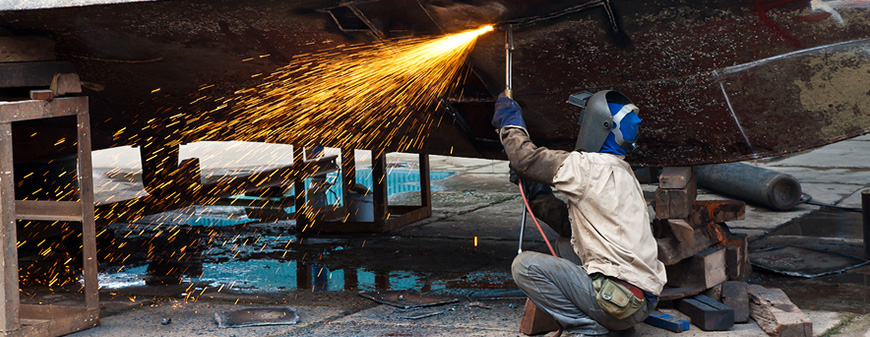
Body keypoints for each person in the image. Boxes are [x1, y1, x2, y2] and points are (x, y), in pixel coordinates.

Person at [491, 91, 666, 336]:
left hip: (620, 302)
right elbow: (571, 226)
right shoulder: (623, 171)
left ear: (598, 125)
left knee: (525, 266)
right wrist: (536, 192)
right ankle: (615, 324)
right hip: (639, 302)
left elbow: (524, 159)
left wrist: (510, 123)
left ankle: (587, 327)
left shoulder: (588, 167)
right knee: (565, 244)